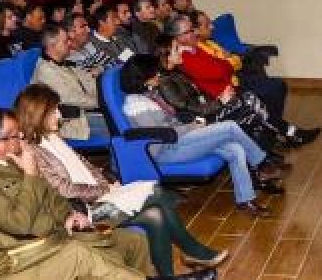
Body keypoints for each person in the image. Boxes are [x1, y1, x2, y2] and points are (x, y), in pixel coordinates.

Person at [0, 134, 186, 279]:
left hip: (12, 256)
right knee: (78, 256)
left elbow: (8, 232)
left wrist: (54, 231)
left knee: (117, 244)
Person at [0, 110, 211, 280]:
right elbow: (18, 224)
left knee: (136, 242)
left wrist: (69, 214)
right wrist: (30, 174)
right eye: (13, 136)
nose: (20, 138)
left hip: (63, 227)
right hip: (37, 244)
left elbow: (51, 194)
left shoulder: (13, 158)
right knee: (106, 250)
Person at [14, 85, 229, 273]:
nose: (59, 115)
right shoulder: (34, 152)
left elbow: (85, 165)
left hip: (98, 196)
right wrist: (102, 190)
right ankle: (192, 251)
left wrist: (106, 181)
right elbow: (64, 190)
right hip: (84, 212)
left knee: (155, 215)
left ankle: (168, 274)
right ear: (38, 114)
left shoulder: (52, 138)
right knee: (158, 193)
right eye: (53, 111)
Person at [119, 55, 282, 216]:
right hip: (166, 150)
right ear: (144, 78)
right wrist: (194, 126)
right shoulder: (136, 105)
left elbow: (172, 122)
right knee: (230, 127)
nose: (158, 75)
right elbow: (162, 134)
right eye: (154, 73)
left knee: (235, 148)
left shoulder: (151, 95)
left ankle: (245, 201)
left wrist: (192, 126)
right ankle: (261, 164)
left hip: (178, 140)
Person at [186, 12, 319, 147]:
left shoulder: (210, 43)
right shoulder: (196, 50)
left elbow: (235, 61)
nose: (213, 27)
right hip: (228, 90)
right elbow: (222, 70)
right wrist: (228, 62)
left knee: (278, 86)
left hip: (236, 80)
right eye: (207, 24)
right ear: (195, 30)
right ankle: (283, 133)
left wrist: (228, 61)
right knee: (271, 92)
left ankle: (272, 133)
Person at [157, 33, 294, 155]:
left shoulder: (178, 71)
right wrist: (220, 101)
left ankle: (267, 151)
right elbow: (190, 109)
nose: (182, 49)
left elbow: (217, 75)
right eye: (177, 48)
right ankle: (273, 146)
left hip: (208, 109)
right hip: (200, 120)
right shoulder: (166, 81)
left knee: (248, 101)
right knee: (247, 108)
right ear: (166, 57)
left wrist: (221, 98)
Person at [31, 24, 108, 141]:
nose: (70, 44)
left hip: (86, 112)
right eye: (65, 41)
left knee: (125, 114)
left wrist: (107, 94)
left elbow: (89, 81)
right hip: (71, 122)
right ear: (52, 46)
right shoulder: (46, 72)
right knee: (120, 125)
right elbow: (73, 98)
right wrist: (105, 102)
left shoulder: (65, 63)